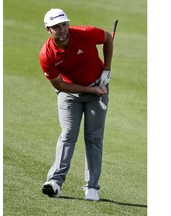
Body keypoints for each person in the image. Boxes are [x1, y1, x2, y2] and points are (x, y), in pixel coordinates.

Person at [39, 8, 113, 201]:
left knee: (93, 137)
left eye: (64, 24)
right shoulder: (47, 54)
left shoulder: (84, 33)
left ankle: (92, 187)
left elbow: (107, 38)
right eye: (56, 27)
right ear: (48, 30)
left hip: (98, 88)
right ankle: (54, 182)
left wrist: (106, 69)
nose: (62, 30)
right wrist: (90, 90)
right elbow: (60, 84)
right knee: (68, 135)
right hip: (69, 94)